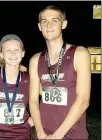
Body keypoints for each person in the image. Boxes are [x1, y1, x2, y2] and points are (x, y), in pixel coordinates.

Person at [29, 5, 91, 139]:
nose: (49, 25)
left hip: (73, 135)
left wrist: (57, 136)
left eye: (54, 20)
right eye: (44, 21)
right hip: (43, 134)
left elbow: (83, 100)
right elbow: (33, 100)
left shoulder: (79, 53)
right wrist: (40, 132)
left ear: (64, 24)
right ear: (39, 26)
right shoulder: (35, 60)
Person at [0, 34, 34, 140]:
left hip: (21, 136)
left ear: (23, 53)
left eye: (17, 50)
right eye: (8, 50)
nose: (13, 54)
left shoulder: (29, 78)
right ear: (1, 54)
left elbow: (48, 99)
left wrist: (34, 119)